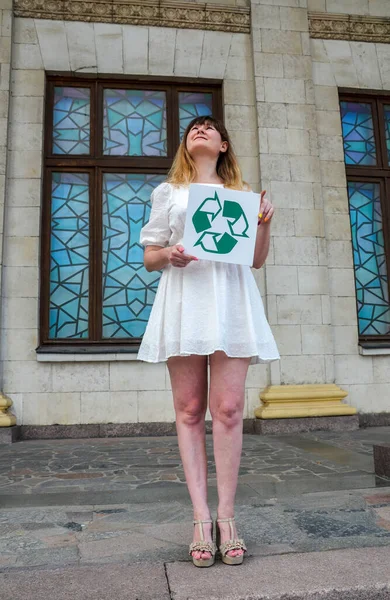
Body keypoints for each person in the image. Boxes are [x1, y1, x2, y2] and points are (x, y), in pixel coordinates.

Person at [137, 115, 279, 567]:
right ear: (187, 144)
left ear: (223, 145)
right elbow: (149, 257)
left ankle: (227, 516)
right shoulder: (169, 193)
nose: (199, 130)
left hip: (231, 301)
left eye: (208, 127)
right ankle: (201, 518)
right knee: (190, 409)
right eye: (192, 128)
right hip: (186, 298)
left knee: (230, 409)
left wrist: (265, 224)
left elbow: (256, 260)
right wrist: (169, 255)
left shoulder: (243, 195)